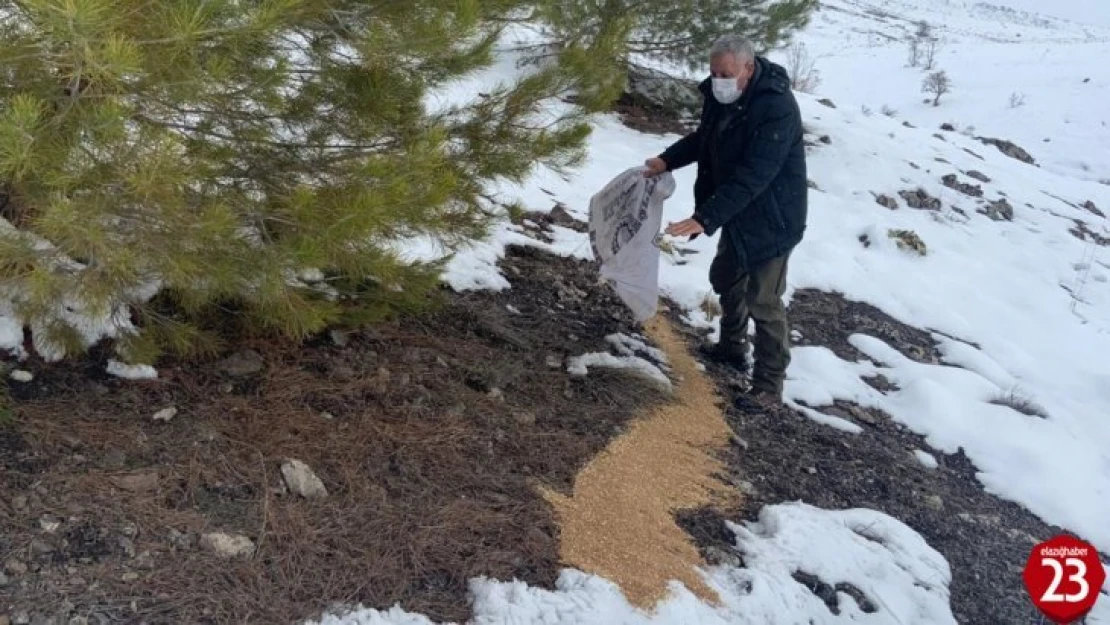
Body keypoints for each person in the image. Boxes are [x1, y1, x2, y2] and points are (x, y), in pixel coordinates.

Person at [644, 34, 807, 408]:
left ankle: (769, 386)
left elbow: (755, 174)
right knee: (726, 278)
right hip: (736, 209)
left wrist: (705, 217)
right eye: (714, 72)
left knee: (763, 299)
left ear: (748, 69)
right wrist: (667, 160)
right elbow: (707, 137)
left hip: (773, 217)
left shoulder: (776, 106)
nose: (719, 79)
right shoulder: (722, 96)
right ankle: (732, 347)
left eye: (726, 73)